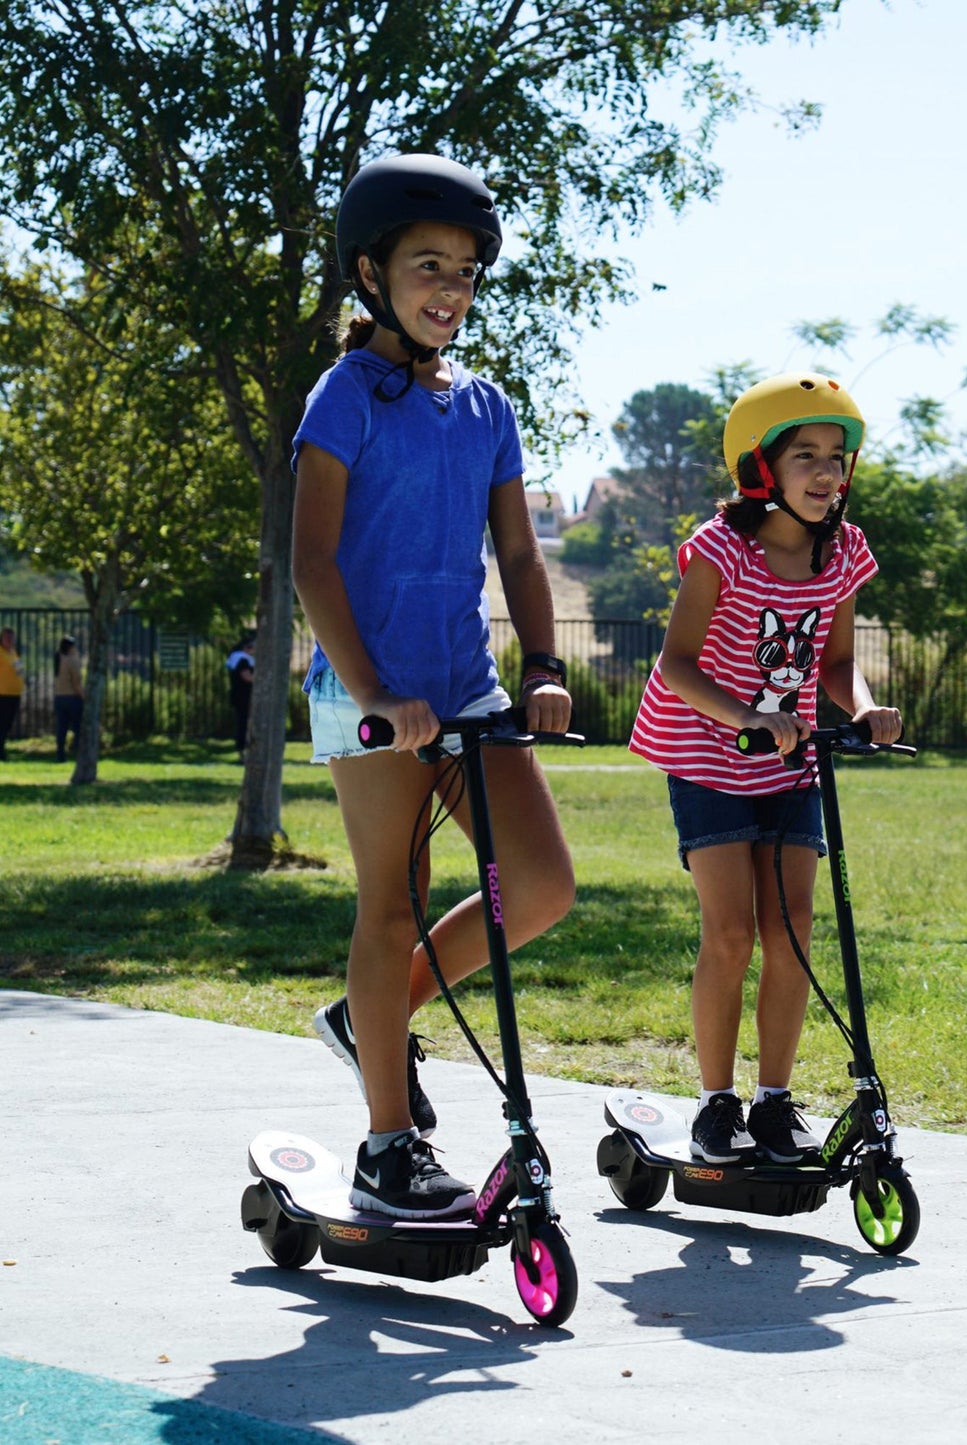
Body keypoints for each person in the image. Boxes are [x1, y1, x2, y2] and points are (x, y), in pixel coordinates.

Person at [291, 153, 574, 1221]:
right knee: (389, 901)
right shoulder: (345, 394)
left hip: (467, 686)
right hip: (370, 693)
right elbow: (314, 561)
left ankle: (376, 1017)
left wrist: (540, 667)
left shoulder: (486, 404)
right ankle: (384, 1141)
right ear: (370, 273)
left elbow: (522, 554)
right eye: (426, 266)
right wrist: (373, 693)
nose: (447, 290)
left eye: (462, 271)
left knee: (539, 885)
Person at [630, 373, 902, 1165]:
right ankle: (716, 1105)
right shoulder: (722, 548)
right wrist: (746, 717)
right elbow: (677, 663)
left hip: (789, 761)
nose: (826, 473)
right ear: (761, 469)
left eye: (836, 457)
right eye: (805, 456)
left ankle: (774, 1102)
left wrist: (864, 706)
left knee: (794, 931)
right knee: (731, 931)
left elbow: (838, 663)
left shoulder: (843, 550)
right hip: (706, 752)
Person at [53, 635, 83, 762]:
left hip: (59, 697)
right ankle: (78, 751)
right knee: (78, 727)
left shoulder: (58, 659)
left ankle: (60, 754)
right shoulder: (72, 661)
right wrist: (83, 696)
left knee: (61, 728)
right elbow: (76, 683)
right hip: (72, 698)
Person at [225, 633, 255, 756]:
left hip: (239, 695)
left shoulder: (236, 658)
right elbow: (247, 677)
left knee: (243, 722)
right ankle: (243, 749)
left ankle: (243, 749)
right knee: (244, 724)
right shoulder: (242, 659)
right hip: (244, 696)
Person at [0, 627, 23, 761]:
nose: (9, 640)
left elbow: (19, 671)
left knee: (7, 724)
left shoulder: (13, 652)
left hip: (14, 694)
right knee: (1, 724)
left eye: (11, 638)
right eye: (6, 638)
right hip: (2, 694)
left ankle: (2, 748)